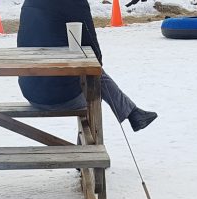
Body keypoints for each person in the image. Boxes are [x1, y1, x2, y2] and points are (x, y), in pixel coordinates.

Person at [17, 0, 157, 132]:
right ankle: (89, 148)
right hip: (61, 97)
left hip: (30, 90)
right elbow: (93, 52)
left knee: (92, 77)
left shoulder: (29, 2)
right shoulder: (74, 3)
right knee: (93, 88)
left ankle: (132, 113)